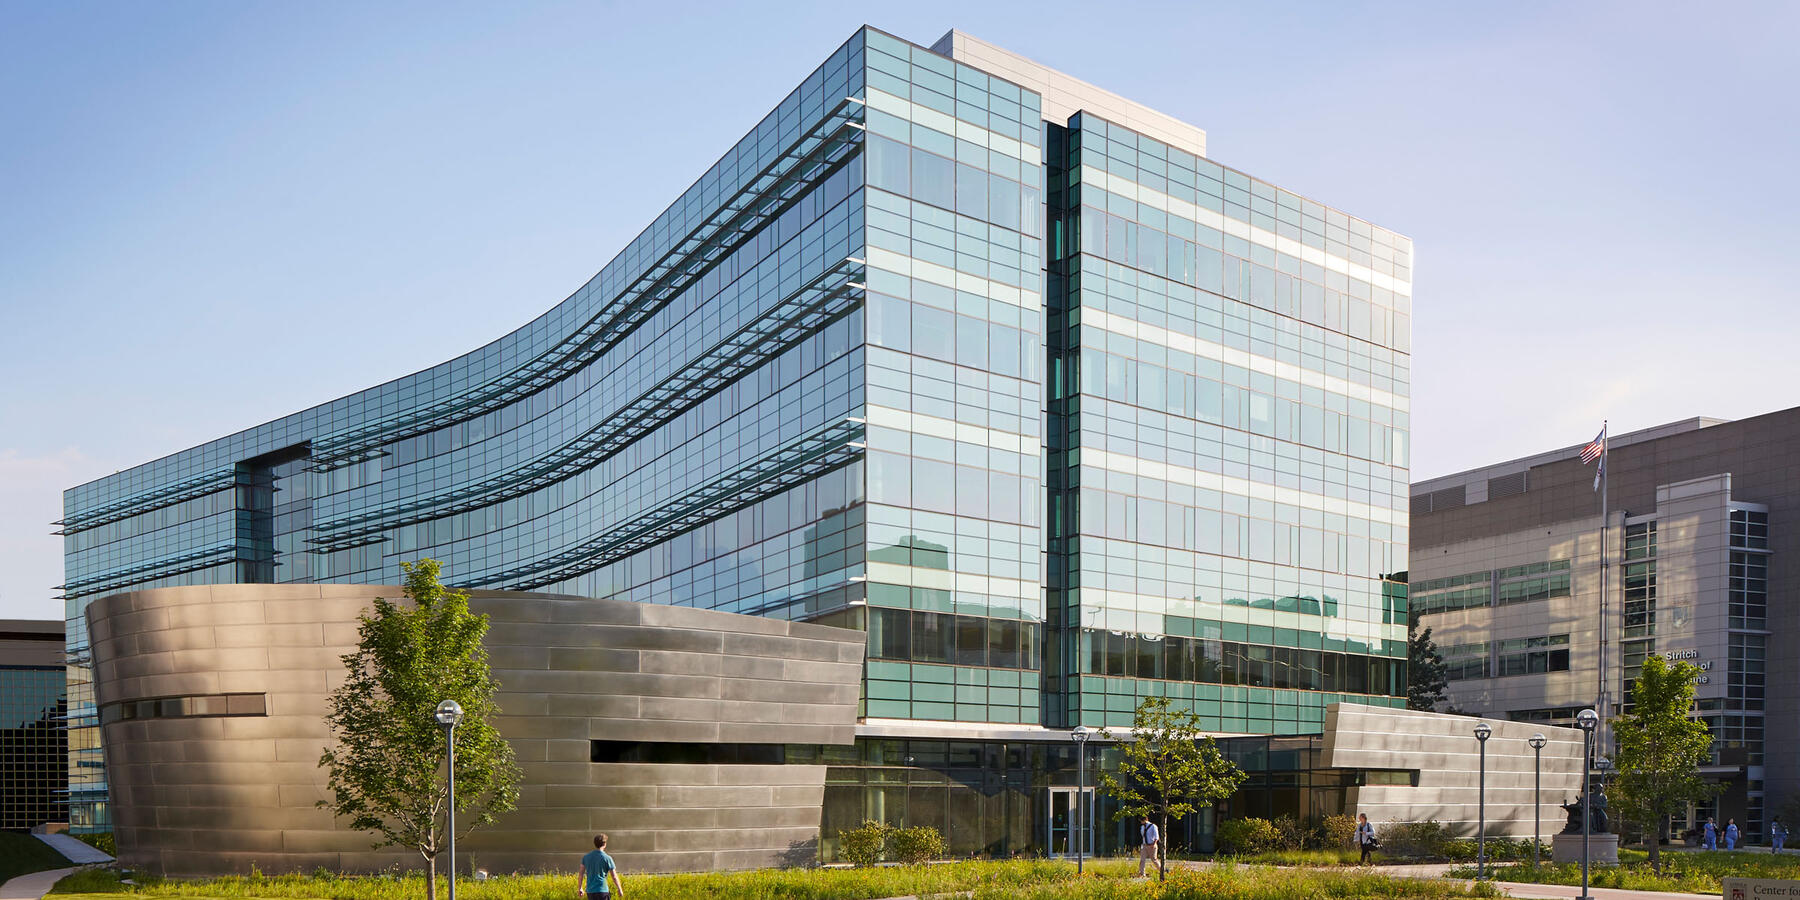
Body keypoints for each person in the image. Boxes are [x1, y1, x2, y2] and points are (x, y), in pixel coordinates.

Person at [577, 834, 624, 900]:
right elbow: (614, 876)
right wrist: (619, 889)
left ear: (595, 844)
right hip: (602, 890)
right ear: (604, 844)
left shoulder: (586, 857)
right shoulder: (607, 858)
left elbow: (581, 874)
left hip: (590, 891)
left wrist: (580, 888)